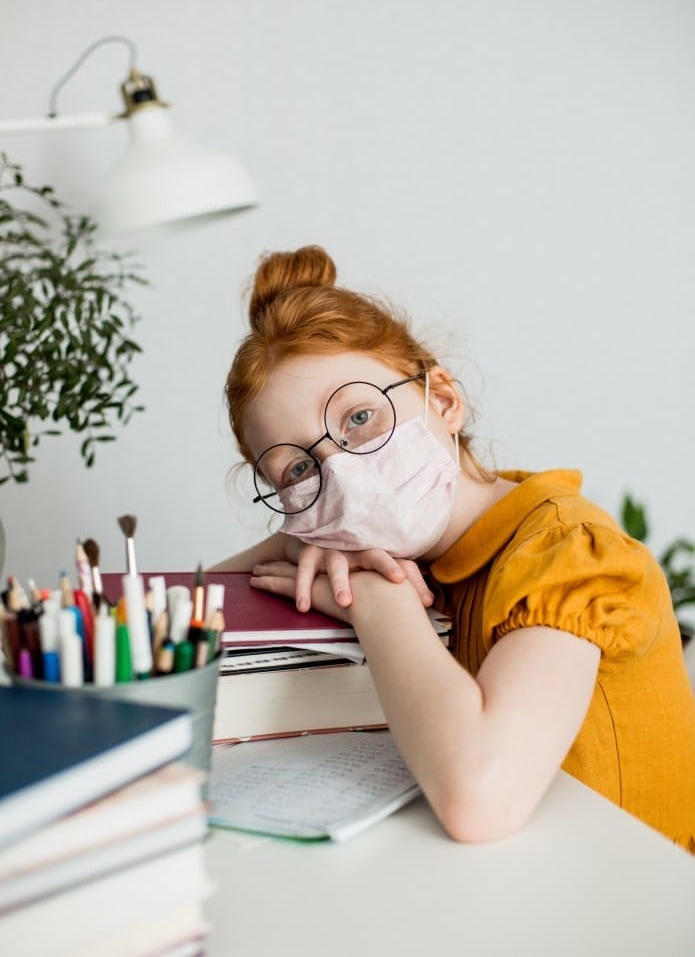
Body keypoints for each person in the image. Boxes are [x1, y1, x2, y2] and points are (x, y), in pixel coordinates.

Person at [214, 245, 695, 851]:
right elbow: (184, 604)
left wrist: (374, 599)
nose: (345, 477)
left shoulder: (566, 548)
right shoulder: (380, 544)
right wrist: (303, 531)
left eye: (360, 417)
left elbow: (481, 801)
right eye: (299, 470)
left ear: (443, 399)